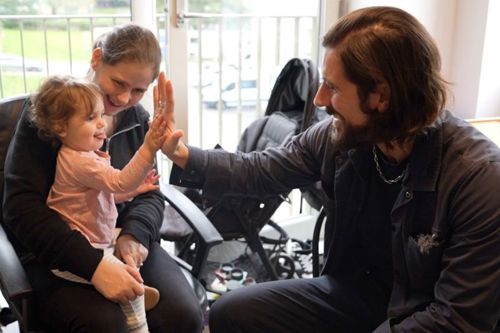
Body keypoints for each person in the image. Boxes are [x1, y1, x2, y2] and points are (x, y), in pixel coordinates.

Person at [159, 6, 500, 333]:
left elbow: (457, 320)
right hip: (350, 297)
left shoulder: (479, 180)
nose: (319, 99)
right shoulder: (339, 137)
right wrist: (185, 155)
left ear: (381, 96)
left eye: (333, 87)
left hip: (422, 315)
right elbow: (262, 170)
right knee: (232, 313)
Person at [3, 24, 203, 332]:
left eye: (138, 90)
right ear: (97, 59)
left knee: (182, 315)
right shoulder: (50, 114)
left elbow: (148, 191)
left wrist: (134, 236)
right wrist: (95, 266)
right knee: (109, 325)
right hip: (58, 250)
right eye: (118, 82)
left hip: (116, 237)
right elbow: (21, 208)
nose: (124, 98)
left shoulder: (136, 120)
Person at [29, 75, 169, 333]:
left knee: (127, 249)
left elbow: (106, 194)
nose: (102, 123)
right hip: (79, 250)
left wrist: (133, 191)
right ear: (61, 128)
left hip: (96, 236)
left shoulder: (84, 154)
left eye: (100, 115)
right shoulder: (81, 161)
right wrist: (148, 147)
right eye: (90, 118)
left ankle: (134, 289)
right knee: (129, 281)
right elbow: (118, 182)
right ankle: (137, 306)